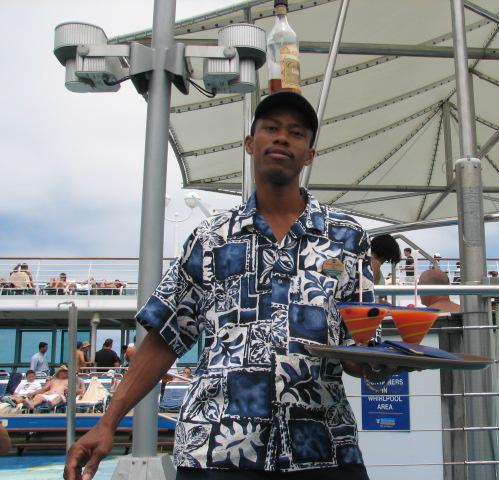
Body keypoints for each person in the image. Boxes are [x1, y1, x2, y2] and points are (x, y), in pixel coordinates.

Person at [65, 91, 390, 480]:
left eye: (296, 133)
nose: (282, 138)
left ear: (309, 155)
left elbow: (359, 347)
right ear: (250, 143)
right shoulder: (211, 237)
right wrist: (107, 422)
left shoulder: (346, 237)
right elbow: (166, 335)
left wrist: (378, 366)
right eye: (271, 128)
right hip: (216, 449)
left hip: (323, 447)